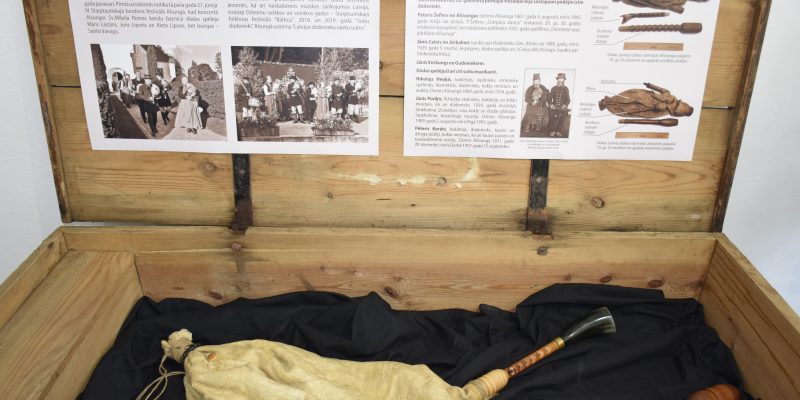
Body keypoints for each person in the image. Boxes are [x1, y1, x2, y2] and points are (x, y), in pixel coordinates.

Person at [548, 73, 570, 137]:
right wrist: (551, 105)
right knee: (551, 115)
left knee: (563, 115)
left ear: (563, 80)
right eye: (559, 79)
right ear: (557, 80)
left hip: (562, 107)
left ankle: (558, 131)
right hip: (554, 106)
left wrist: (565, 105)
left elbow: (568, 100)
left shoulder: (566, 89)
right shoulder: (553, 88)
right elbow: (549, 99)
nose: (560, 80)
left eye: (562, 79)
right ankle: (552, 130)